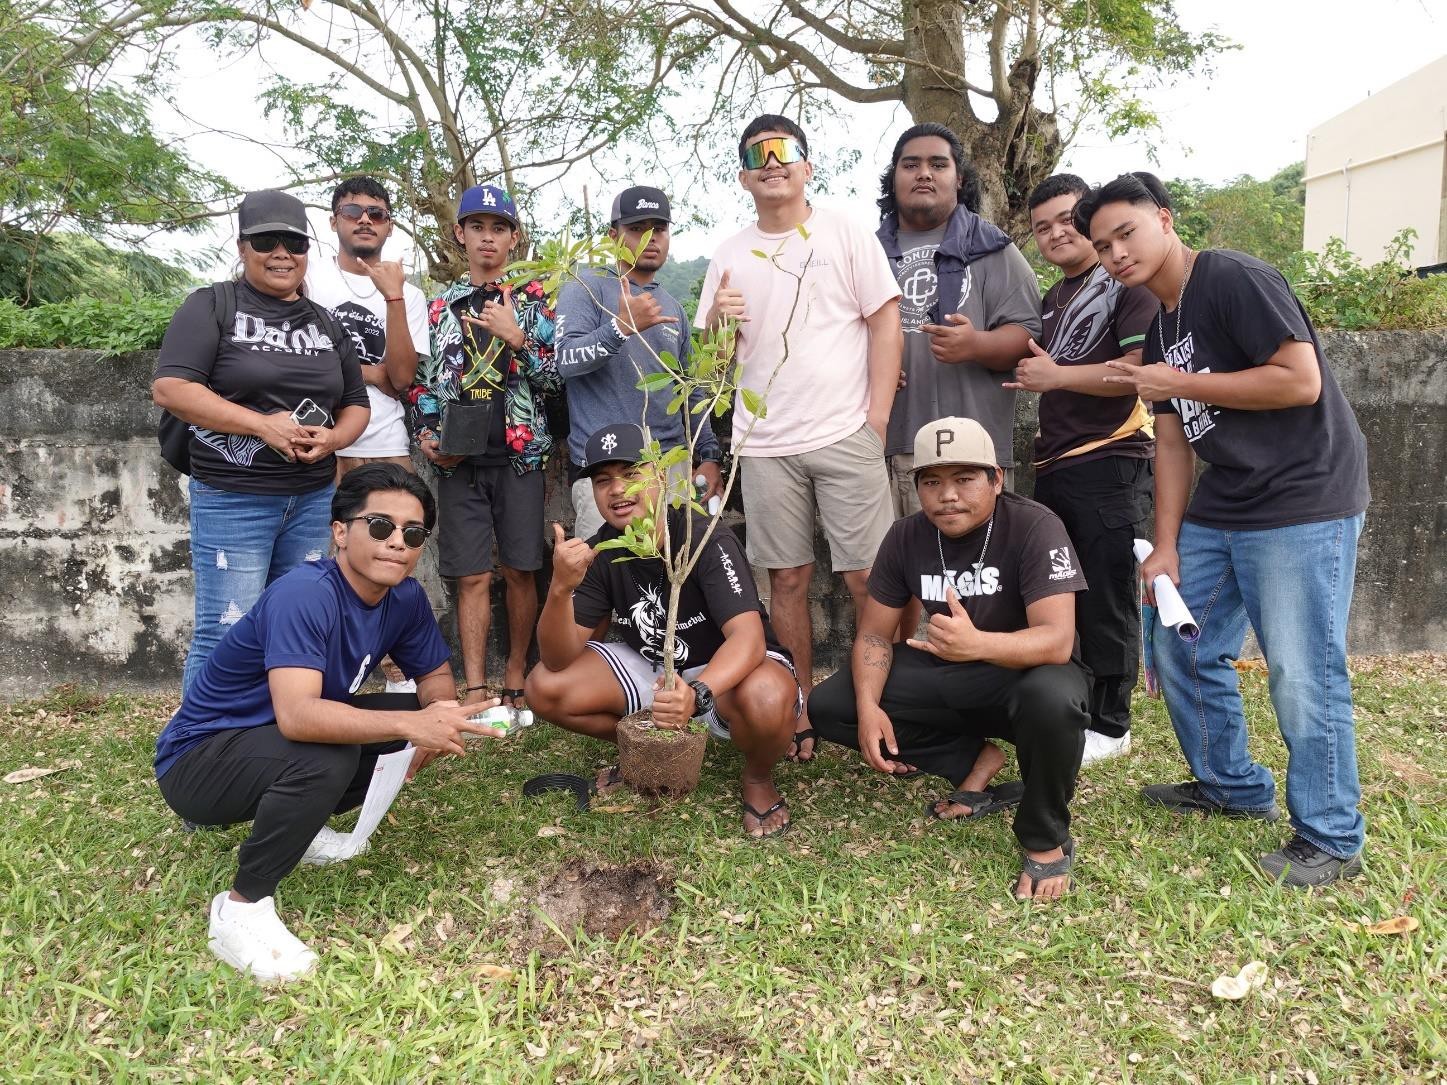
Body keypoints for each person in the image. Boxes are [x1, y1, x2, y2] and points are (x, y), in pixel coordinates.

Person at [1078, 172, 1371, 887]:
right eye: (1102, 246)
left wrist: (1179, 383)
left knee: (1301, 670)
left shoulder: (1232, 278)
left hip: (1303, 498)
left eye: (1125, 233)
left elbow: (1298, 379)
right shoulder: (1160, 324)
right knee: (1180, 639)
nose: (1116, 253)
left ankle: (1331, 836)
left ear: (1164, 218)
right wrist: (1166, 545)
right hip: (1226, 499)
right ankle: (1231, 785)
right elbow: (1173, 441)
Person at [154, 464, 506, 981]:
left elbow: (434, 676)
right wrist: (415, 726)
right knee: (328, 755)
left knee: (400, 725)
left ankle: (298, 827)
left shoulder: (404, 598)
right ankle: (241, 909)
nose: (397, 542)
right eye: (380, 526)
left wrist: (437, 717)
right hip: (197, 764)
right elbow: (299, 717)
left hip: (265, 745)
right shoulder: (306, 594)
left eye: (413, 533)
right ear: (340, 532)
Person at [809, 418, 1090, 901]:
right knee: (833, 704)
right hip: (951, 667)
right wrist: (870, 707)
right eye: (932, 482)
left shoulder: (1035, 526)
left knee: (1053, 697)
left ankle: (1045, 838)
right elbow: (874, 635)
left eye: (964, 479)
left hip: (1026, 673)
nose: (948, 496)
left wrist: (977, 644)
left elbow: (1056, 641)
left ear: (997, 479)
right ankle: (972, 760)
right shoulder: (906, 536)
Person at [696, 114, 903, 766]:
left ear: (807, 167)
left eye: (784, 151)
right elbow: (711, 367)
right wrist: (717, 324)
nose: (772, 163)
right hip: (763, 445)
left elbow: (885, 323)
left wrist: (876, 420)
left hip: (846, 431)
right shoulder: (729, 254)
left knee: (871, 578)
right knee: (786, 578)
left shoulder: (844, 232)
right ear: (742, 177)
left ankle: (889, 702)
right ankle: (801, 706)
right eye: (757, 155)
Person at [525, 423, 801, 839]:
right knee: (543, 686)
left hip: (726, 672)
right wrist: (561, 588)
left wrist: (699, 693)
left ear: (659, 476)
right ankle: (644, 749)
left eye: (630, 474)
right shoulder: (603, 549)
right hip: (658, 666)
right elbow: (556, 658)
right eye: (603, 481)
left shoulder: (704, 536)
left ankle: (758, 778)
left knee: (767, 696)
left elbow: (748, 639)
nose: (617, 490)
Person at [153, 189, 370, 692]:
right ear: (242, 246)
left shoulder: (324, 322)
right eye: (266, 241)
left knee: (296, 628)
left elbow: (356, 403)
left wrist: (333, 438)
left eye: (294, 243)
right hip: (234, 497)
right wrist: (261, 425)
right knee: (226, 631)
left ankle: (277, 729)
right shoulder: (212, 305)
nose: (281, 253)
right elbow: (171, 388)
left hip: (312, 498)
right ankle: (202, 737)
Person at [1004, 173, 1159, 765]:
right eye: (1041, 227)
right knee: (1062, 594)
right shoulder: (1054, 297)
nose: (1056, 234)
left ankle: (1113, 724)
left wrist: (1057, 377)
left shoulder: (1126, 282)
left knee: (1108, 597)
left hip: (1110, 461)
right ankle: (1073, 710)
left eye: (1068, 220)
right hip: (1056, 466)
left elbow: (1140, 370)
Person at [404, 184, 561, 707]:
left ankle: (516, 672)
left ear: (514, 238)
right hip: (459, 461)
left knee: (521, 569)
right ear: (460, 234)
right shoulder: (439, 308)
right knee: (469, 574)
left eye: (498, 228)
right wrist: (429, 436)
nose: (487, 238)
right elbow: (422, 383)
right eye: (477, 227)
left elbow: (556, 382)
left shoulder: (536, 302)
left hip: (520, 456)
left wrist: (517, 338)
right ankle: (474, 686)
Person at [875, 123, 1042, 505]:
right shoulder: (866, 255)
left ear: (959, 178)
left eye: (938, 164)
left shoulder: (993, 248)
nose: (924, 173)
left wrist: (977, 344)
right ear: (894, 178)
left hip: (976, 449)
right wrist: (872, 368)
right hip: (888, 447)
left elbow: (1029, 335)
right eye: (910, 165)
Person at [555, 185, 723, 539]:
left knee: (677, 567)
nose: (651, 238)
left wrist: (709, 454)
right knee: (604, 569)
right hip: (607, 472)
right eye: (637, 229)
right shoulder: (585, 288)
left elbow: (689, 389)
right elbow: (566, 360)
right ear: (613, 235)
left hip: (670, 467)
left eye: (659, 228)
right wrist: (620, 328)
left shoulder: (673, 307)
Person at [305, 176, 429, 480]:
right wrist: (372, 373)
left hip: (386, 443)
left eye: (376, 214)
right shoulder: (308, 277)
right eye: (352, 211)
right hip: (318, 439)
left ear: (390, 226)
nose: (364, 220)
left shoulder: (410, 294)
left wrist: (394, 297)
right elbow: (299, 358)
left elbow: (401, 379)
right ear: (333, 221)